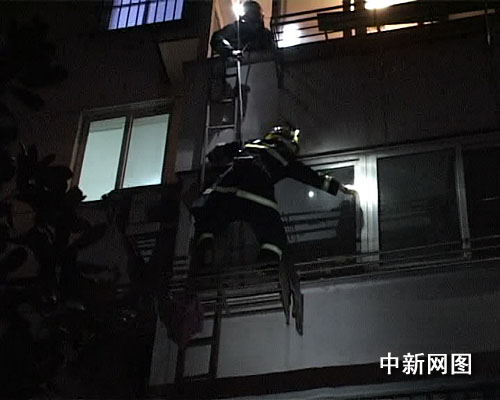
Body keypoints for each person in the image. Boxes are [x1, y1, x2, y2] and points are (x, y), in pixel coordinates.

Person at [191, 124, 358, 270]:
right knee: (275, 235)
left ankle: (205, 249)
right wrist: (338, 187)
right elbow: (308, 175)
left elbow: (224, 150)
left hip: (227, 189)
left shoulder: (252, 143)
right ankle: (266, 267)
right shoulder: (283, 154)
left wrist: (212, 156)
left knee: (209, 219)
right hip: (256, 192)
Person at [209, 1, 274, 101]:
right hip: (237, 70)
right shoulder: (237, 29)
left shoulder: (266, 35)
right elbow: (217, 38)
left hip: (259, 76)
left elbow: (271, 55)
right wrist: (230, 51)